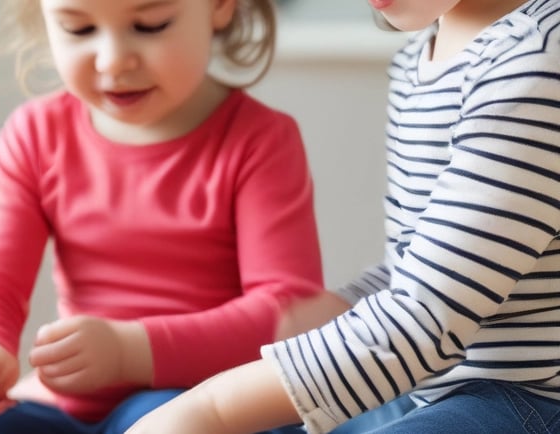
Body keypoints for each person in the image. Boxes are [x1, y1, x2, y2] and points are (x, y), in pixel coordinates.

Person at [126, 0, 560, 433]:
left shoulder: (535, 60)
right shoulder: (418, 55)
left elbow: (425, 319)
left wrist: (209, 410)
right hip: (432, 383)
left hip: (530, 397)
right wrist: (324, 311)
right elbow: (418, 271)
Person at [0, 0, 327, 433]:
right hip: (64, 410)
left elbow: (289, 316)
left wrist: (129, 352)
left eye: (150, 25)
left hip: (197, 405)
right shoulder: (35, 135)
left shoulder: (260, 141)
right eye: (79, 29)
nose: (113, 60)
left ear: (220, 6)